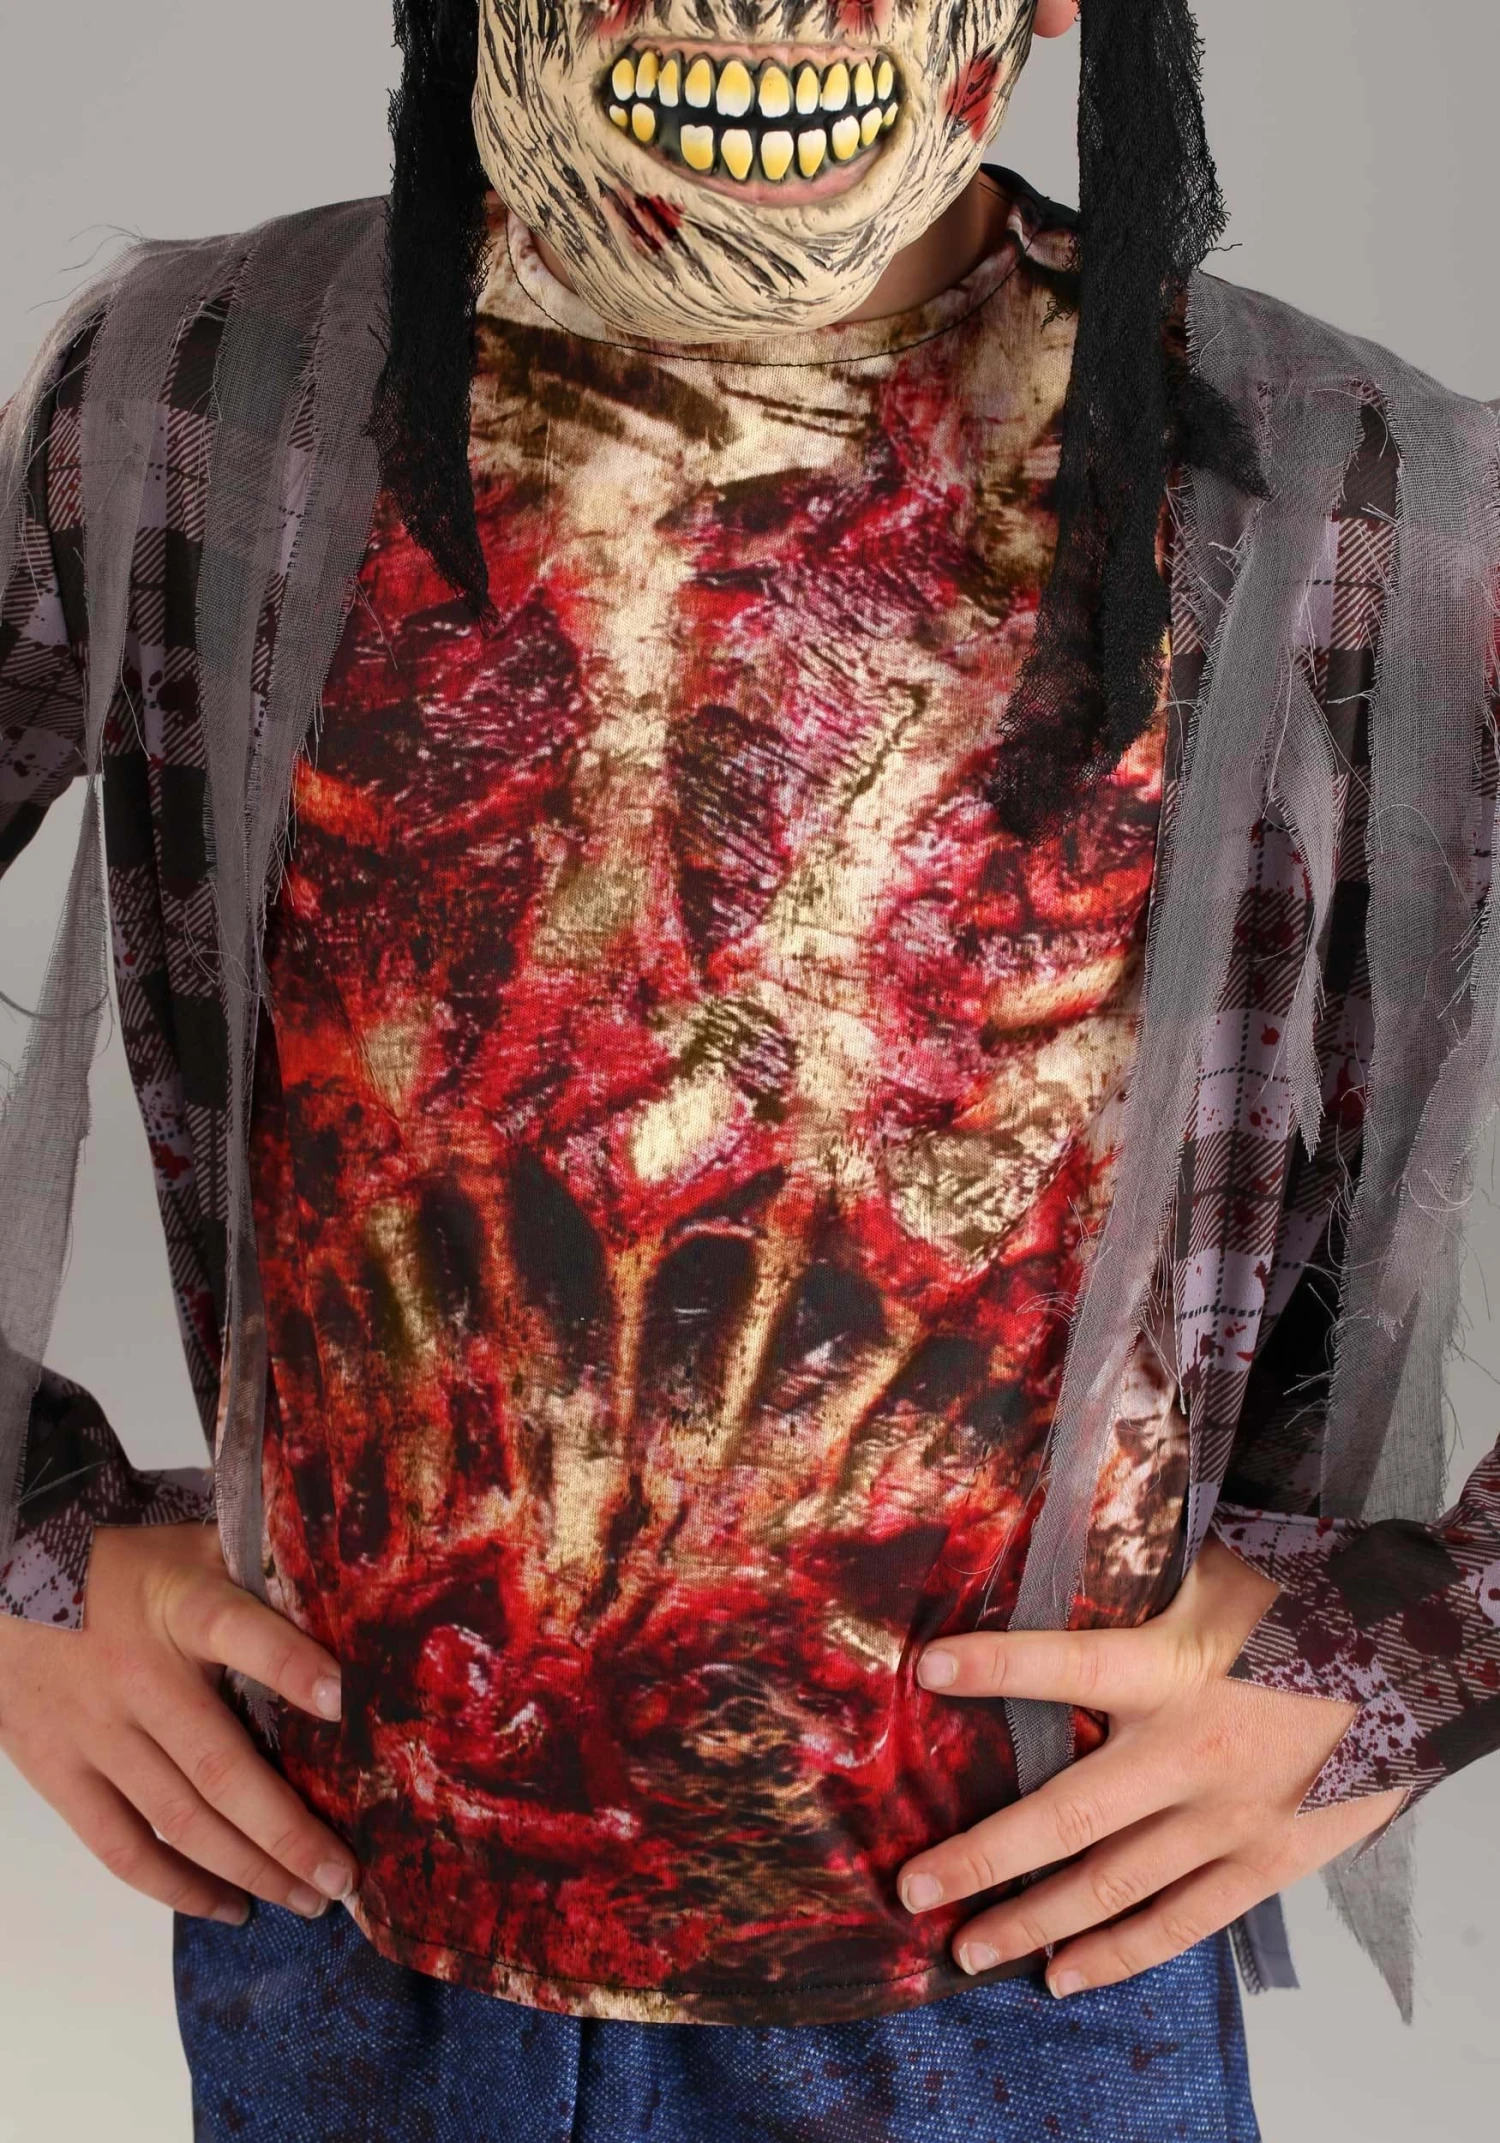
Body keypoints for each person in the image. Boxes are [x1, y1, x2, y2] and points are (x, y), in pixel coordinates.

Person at [1, 0, 1497, 2136]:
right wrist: (26, 1563)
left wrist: (1409, 1660)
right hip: (347, 1926)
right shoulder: (207, 403)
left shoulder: (1335, 491)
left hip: (1010, 1975)